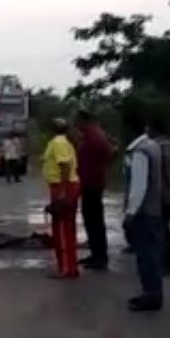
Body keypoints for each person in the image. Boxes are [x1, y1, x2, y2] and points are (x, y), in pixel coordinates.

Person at [124, 119, 166, 311]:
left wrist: (130, 213)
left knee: (145, 255)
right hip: (155, 208)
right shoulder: (154, 146)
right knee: (152, 253)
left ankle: (151, 295)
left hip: (144, 211)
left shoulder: (140, 151)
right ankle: (153, 293)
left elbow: (138, 186)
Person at [74, 110, 113, 270]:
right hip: (90, 182)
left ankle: (100, 257)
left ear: (84, 120)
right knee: (91, 220)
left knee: (94, 220)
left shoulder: (94, 135)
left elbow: (107, 154)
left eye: (77, 120)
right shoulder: (92, 134)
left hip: (92, 183)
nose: (76, 124)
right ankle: (96, 254)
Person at [42, 118, 80, 279]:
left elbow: (64, 166)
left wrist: (63, 192)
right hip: (63, 185)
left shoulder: (58, 142)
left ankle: (67, 269)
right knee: (65, 227)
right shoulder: (63, 142)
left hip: (63, 186)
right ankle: (68, 267)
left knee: (63, 229)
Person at [155, 123, 170, 275]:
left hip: (162, 194)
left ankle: (165, 264)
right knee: (161, 228)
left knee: (162, 229)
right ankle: (163, 262)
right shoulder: (166, 145)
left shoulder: (164, 146)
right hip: (163, 193)